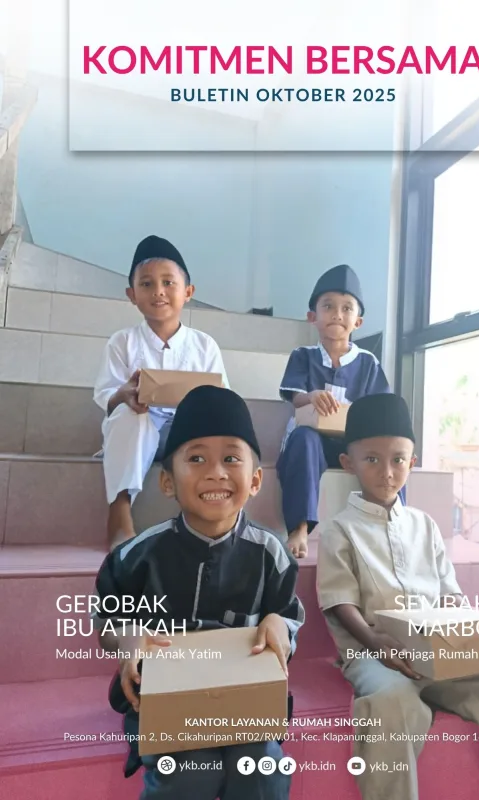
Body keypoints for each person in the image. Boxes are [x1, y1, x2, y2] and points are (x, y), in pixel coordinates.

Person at [316, 393, 479, 800]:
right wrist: (375, 642)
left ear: (412, 462)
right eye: (372, 459)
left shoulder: (424, 526)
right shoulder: (340, 530)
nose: (386, 472)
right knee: (392, 702)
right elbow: (339, 601)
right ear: (348, 462)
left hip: (440, 655)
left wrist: (473, 637)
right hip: (375, 656)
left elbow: (450, 596)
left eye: (398, 459)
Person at [93, 385, 305, 800]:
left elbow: (287, 615)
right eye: (196, 458)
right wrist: (126, 636)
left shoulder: (272, 554)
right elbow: (107, 619)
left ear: (256, 480)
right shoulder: (137, 555)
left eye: (231, 458)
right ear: (167, 481)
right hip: (163, 701)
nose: (216, 472)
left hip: (244, 700)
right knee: (190, 773)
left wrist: (279, 626)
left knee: (263, 769)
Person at [94, 235, 228, 549]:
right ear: (132, 295)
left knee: (214, 426)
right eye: (146, 284)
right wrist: (124, 395)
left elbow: (222, 396)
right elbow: (106, 395)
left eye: (168, 282)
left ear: (188, 292)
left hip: (182, 435)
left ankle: (208, 518)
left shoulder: (204, 345)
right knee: (131, 414)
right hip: (138, 433)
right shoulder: (122, 342)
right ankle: (120, 512)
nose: (158, 291)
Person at [277, 264, 395, 559]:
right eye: (328, 306)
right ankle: (299, 527)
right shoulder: (303, 356)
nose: (337, 314)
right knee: (304, 438)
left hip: (349, 444)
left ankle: (393, 525)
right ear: (312, 317)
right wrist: (311, 396)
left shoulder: (367, 363)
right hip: (311, 444)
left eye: (346, 308)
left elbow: (380, 408)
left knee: (388, 448)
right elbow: (294, 397)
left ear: (358, 321)